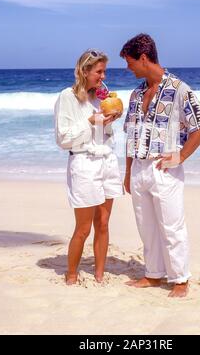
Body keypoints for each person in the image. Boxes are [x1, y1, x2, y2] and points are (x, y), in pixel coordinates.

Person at [121, 34, 200, 298]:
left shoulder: (179, 89)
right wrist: (128, 172)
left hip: (164, 170)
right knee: (145, 225)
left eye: (130, 62)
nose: (128, 68)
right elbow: (130, 135)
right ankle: (153, 274)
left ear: (144, 58)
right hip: (139, 167)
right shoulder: (136, 94)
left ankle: (180, 279)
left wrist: (181, 156)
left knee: (171, 226)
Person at [55, 49, 124, 285]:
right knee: (83, 228)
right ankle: (71, 274)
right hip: (84, 164)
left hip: (107, 162)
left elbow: (104, 136)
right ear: (84, 71)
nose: (103, 76)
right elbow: (63, 140)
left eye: (105, 71)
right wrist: (89, 121)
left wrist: (108, 122)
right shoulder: (67, 97)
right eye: (99, 71)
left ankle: (99, 275)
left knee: (103, 223)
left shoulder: (101, 98)